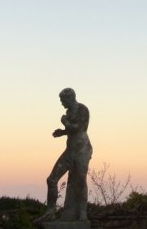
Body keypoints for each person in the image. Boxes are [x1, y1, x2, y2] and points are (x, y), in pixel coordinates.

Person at [39, 88, 92, 222]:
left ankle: (82, 213)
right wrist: (62, 132)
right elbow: (71, 130)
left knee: (80, 181)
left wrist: (65, 123)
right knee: (51, 179)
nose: (62, 103)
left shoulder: (82, 109)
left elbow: (78, 128)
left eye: (63, 100)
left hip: (82, 151)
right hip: (70, 151)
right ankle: (51, 211)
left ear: (71, 98)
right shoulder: (68, 112)